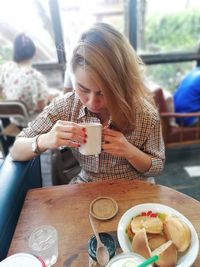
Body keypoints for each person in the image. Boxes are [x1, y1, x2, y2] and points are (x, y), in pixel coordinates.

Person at [11, 23, 165, 183]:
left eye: (103, 92)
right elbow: (16, 150)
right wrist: (44, 140)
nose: (92, 102)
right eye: (83, 89)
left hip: (135, 185)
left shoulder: (144, 113)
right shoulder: (66, 106)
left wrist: (130, 152)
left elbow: (157, 166)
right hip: (88, 182)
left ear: (122, 84)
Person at [0, 33, 49, 128]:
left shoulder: (5, 68)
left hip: (14, 119)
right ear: (33, 52)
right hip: (32, 125)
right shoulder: (36, 76)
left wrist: (10, 99)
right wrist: (48, 99)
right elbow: (41, 107)